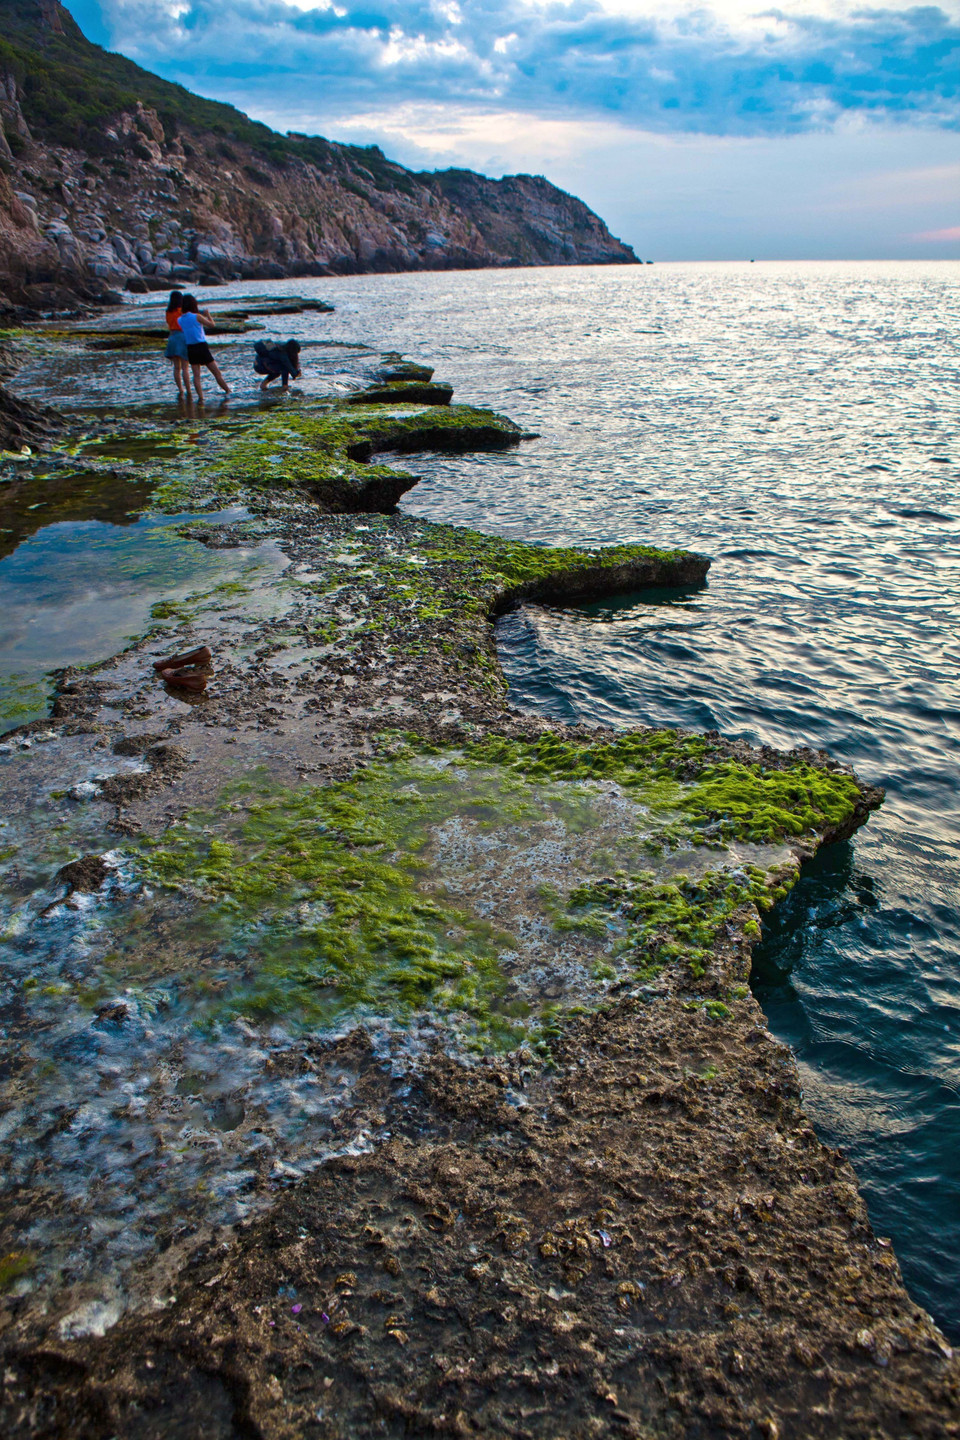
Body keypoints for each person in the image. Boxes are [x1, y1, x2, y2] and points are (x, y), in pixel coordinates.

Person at [177, 294, 230, 400]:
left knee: (196, 376)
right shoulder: (197, 316)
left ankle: (201, 398)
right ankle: (228, 391)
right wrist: (208, 315)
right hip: (201, 347)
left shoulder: (180, 320)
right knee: (216, 373)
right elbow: (212, 325)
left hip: (190, 348)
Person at [164, 289, 189, 398]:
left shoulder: (168, 312)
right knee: (185, 368)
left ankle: (180, 389)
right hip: (182, 337)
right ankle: (189, 390)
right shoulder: (182, 311)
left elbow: (169, 325)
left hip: (172, 337)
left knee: (176, 368)